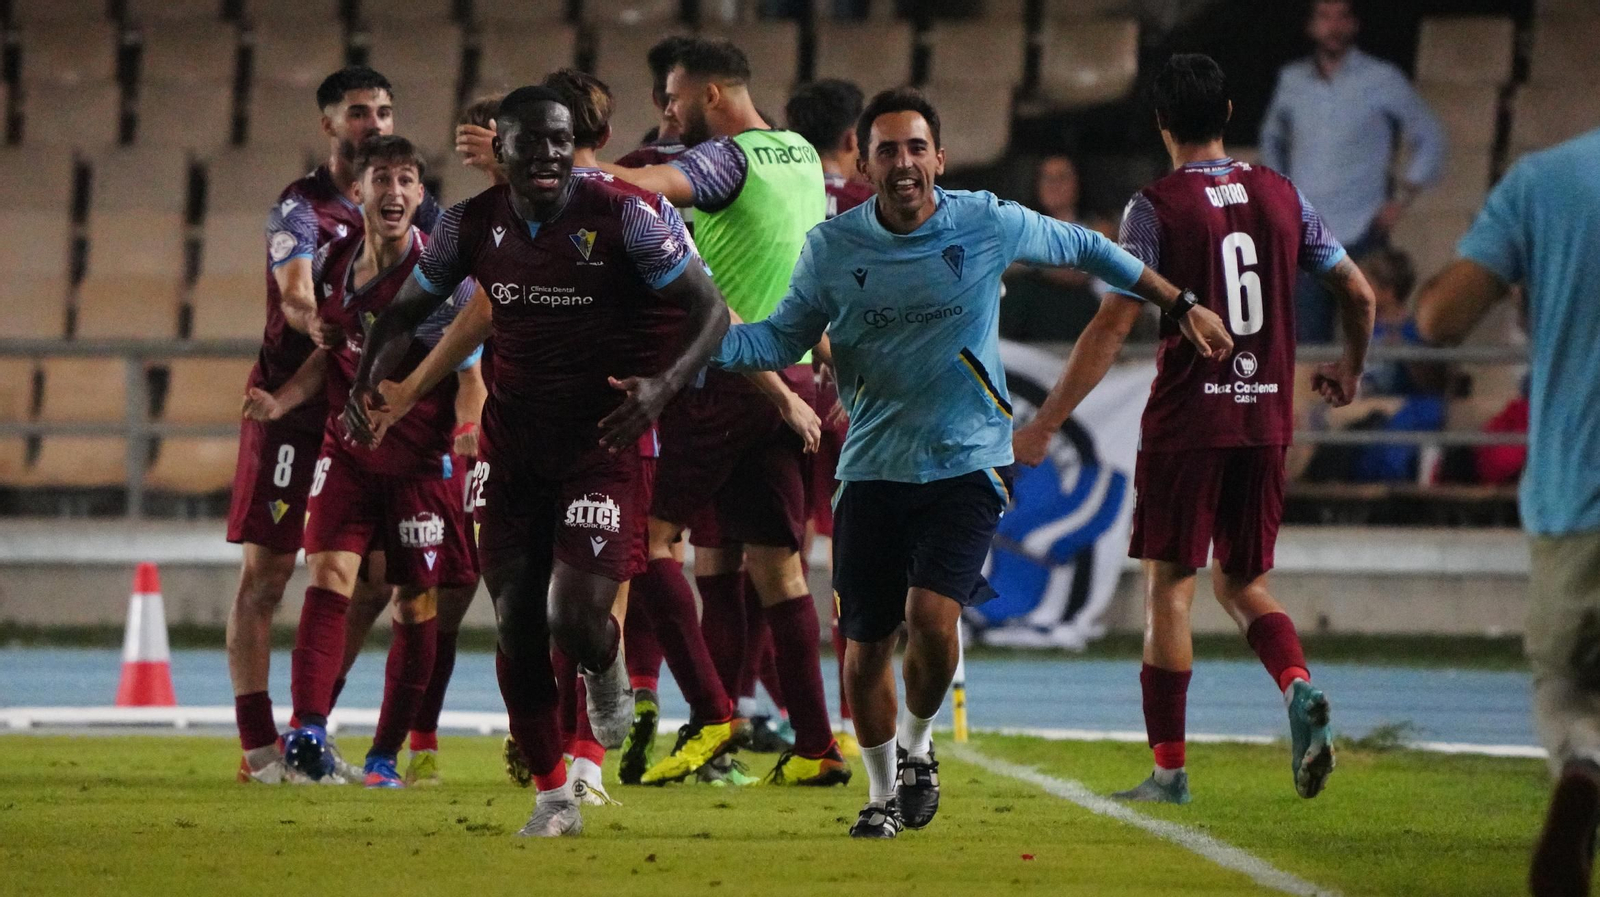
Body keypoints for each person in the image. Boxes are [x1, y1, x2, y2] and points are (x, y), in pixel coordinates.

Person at [712, 86, 1232, 838]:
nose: (903, 162)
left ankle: (918, 750)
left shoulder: (984, 220)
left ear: (940, 158)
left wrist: (1179, 304)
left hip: (967, 464)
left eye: (917, 147)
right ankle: (884, 792)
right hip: (872, 468)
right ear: (863, 160)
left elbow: (1089, 248)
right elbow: (778, 337)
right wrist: (700, 348)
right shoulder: (833, 248)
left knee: (931, 616)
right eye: (887, 149)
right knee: (864, 650)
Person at [345, 86, 731, 837]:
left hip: (603, 441)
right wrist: (368, 376)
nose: (550, 155)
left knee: (575, 618)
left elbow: (709, 309)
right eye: (533, 143)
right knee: (517, 621)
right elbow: (403, 309)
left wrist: (663, 386)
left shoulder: (627, 214)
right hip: (512, 443)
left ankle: (606, 665)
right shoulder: (468, 224)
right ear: (502, 148)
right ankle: (553, 797)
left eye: (561, 140)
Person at [1013, 54, 1373, 806]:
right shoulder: (1281, 193)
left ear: (1160, 121)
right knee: (1243, 580)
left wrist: (1047, 419)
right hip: (1267, 415)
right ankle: (1296, 683)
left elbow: (1113, 323)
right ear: (1231, 112)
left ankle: (1170, 772)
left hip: (1189, 420)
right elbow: (1357, 290)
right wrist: (1350, 365)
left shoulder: (1154, 208)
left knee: (1170, 590)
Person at [600, 37, 845, 788]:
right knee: (778, 570)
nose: (667, 112)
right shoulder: (799, 154)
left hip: (726, 379)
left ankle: (712, 714)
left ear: (712, 95)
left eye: (674, 97)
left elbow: (648, 187)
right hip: (793, 378)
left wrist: (564, 162)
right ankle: (816, 747)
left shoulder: (727, 158)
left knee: (646, 539)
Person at [243, 136, 478, 789]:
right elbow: (333, 354)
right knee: (329, 574)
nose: (395, 192)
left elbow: (470, 374)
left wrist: (466, 425)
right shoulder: (334, 263)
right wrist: (283, 398)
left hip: (421, 465)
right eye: (383, 179)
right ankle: (310, 731)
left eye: (408, 180)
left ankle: (383, 754)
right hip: (347, 454)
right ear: (362, 191)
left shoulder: (445, 280)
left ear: (421, 195)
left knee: (413, 604)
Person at [1414, 127, 1600, 897]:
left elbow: (1439, 321)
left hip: (1577, 495)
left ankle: (1584, 762)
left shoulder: (1547, 180)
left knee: (1567, 690)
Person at [1260, 0, 1443, 343]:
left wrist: (1401, 201)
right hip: (1308, 234)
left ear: (1354, 24)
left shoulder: (1381, 77)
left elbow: (1429, 135)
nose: (1333, 26)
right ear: (1311, 26)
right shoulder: (1292, 80)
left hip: (1364, 231)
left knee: (1369, 345)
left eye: (1341, 17)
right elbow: (1271, 140)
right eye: (1324, 17)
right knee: (1305, 346)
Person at [785, 75, 876, 756]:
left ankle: (777, 710)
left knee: (777, 563)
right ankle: (852, 720)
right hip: (855, 404)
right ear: (854, 138)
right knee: (855, 567)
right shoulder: (877, 205)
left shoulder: (773, 194)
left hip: (782, 396)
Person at [999, 156, 1113, 342]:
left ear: (1078, 184)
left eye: (1062, 178)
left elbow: (1077, 272)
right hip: (1035, 310)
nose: (1053, 185)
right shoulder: (1026, 226)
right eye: (1047, 178)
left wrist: (1029, 260)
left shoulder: (1098, 227)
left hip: (1084, 310)